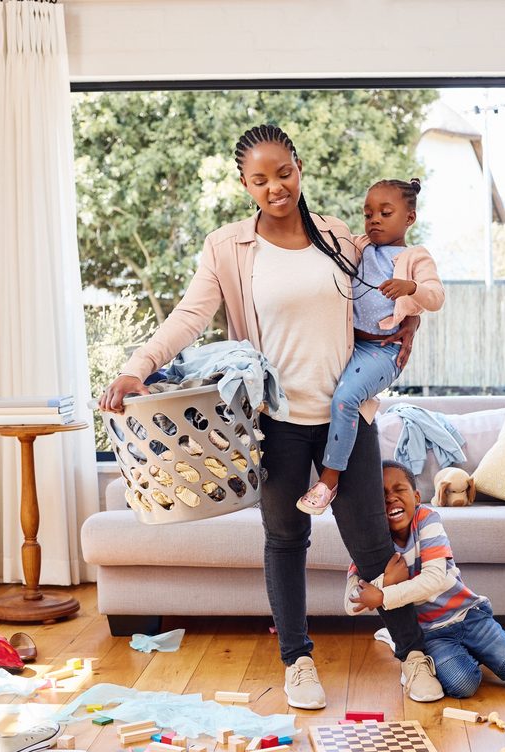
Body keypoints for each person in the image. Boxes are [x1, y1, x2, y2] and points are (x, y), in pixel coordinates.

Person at [99, 125, 445, 708]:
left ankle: (413, 653)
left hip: (347, 414)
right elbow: (189, 316)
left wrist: (411, 320)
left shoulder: (339, 236)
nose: (275, 188)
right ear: (244, 183)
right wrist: (138, 366)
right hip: (275, 418)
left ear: (299, 166)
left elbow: (384, 292)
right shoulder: (228, 247)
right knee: (286, 537)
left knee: (371, 542)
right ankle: (298, 662)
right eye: (259, 180)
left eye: (283, 173)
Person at [297, 178, 444, 516]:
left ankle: (328, 480)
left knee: (346, 399)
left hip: (385, 350)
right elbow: (324, 236)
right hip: (350, 345)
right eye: (368, 213)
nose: (374, 219)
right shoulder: (360, 245)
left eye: (385, 212)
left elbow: (435, 297)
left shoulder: (415, 256)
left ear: (410, 218)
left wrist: (411, 288)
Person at [348, 461, 505, 699]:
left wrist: (383, 594)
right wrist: (386, 581)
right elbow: (352, 602)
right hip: (430, 633)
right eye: (381, 495)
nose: (391, 498)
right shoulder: (371, 543)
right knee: (462, 685)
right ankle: (478, 654)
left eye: (399, 490)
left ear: (416, 496)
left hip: (468, 615)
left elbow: (433, 579)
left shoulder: (427, 520)